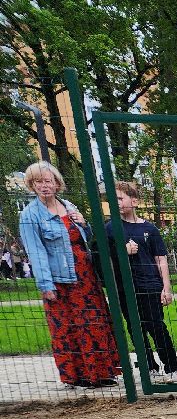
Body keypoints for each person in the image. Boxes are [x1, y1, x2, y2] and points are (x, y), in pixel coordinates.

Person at [18, 160, 121, 388]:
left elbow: (85, 238)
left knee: (93, 322)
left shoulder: (68, 205)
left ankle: (103, 372)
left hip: (85, 277)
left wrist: (84, 224)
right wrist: (46, 285)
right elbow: (36, 252)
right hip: (60, 281)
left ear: (57, 183)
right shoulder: (30, 215)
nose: (44, 186)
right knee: (68, 327)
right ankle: (80, 376)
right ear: (32, 185)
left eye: (48, 181)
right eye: (38, 182)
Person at [109, 180, 177, 381]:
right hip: (125, 286)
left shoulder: (149, 228)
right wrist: (122, 251)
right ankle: (149, 366)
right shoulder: (110, 228)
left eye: (120, 198)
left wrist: (166, 287)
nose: (117, 203)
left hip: (149, 285)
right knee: (135, 327)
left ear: (134, 201)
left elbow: (161, 259)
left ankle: (172, 367)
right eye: (113, 199)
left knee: (156, 326)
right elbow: (104, 256)